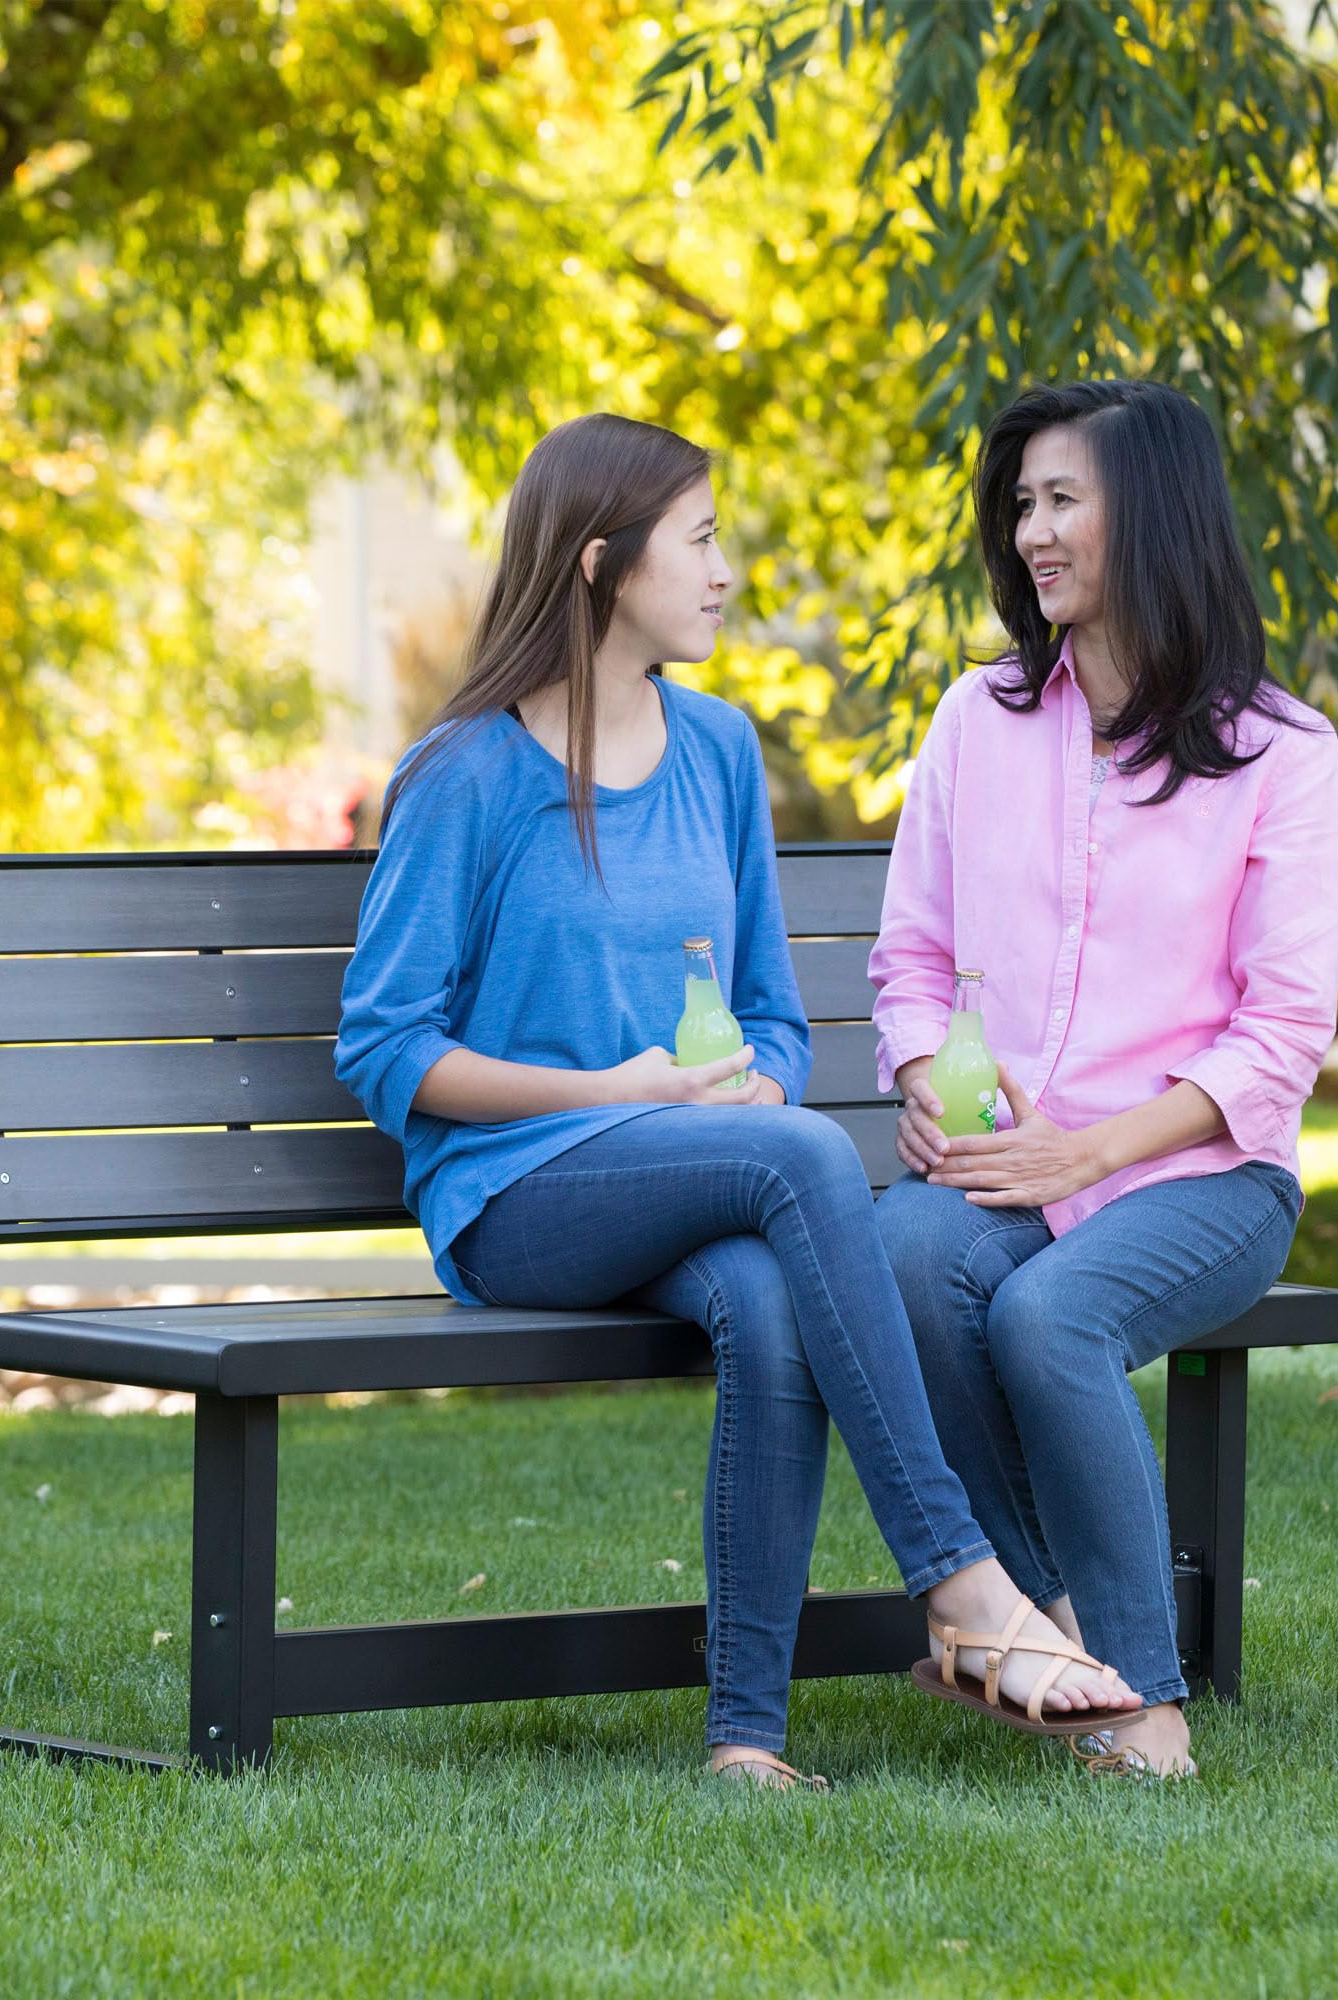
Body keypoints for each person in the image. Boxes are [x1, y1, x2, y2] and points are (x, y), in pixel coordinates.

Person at [336, 413, 1140, 1790]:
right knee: (808, 1162)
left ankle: (744, 1740)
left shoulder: (715, 751)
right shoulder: (467, 774)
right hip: (515, 1196)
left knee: (768, 1295)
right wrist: (620, 1089)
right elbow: (386, 1047)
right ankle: (960, 1580)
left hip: (687, 1166)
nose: (725, 571)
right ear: (600, 562)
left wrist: (753, 1077)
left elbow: (770, 1002)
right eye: (700, 541)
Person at [872, 379, 1338, 1779]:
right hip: (1008, 1166)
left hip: (1206, 1175)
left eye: (1062, 498)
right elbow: (912, 958)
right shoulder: (978, 720)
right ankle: (1050, 1629)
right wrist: (921, 1074)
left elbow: (1280, 1037)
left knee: (1047, 1316)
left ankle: (1145, 1709)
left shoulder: (1284, 754)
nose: (1032, 530)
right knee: (903, 1247)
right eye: (1021, 503)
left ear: (1152, 512)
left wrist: (1088, 1155)